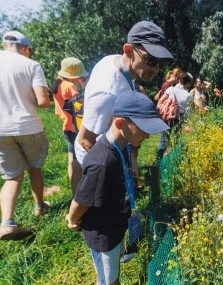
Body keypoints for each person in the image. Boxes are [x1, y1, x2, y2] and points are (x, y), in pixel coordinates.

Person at [66, 91, 169, 285]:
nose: (147, 136)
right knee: (108, 281)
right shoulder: (102, 161)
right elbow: (82, 199)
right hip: (103, 234)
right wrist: (72, 219)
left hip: (115, 224)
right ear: (121, 123)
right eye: (144, 129)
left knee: (112, 273)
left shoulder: (122, 145)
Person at [74, 20, 174, 173]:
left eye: (161, 62)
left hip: (113, 145)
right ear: (128, 50)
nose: (156, 69)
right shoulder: (108, 93)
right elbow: (86, 140)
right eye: (151, 60)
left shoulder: (114, 61)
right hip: (98, 157)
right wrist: (117, 171)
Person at [0, 31, 50, 241]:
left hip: (1, 130)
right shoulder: (31, 65)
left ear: (5, 45)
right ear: (26, 48)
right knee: (34, 167)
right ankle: (39, 206)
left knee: (12, 176)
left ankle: (7, 222)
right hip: (28, 127)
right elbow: (43, 101)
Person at [52, 57, 89, 195]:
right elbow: (83, 102)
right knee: (77, 163)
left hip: (67, 128)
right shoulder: (69, 86)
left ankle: (75, 191)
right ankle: (79, 193)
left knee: (71, 161)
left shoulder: (57, 85)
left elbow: (57, 111)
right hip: (76, 128)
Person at [157, 72, 193, 159]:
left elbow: (160, 100)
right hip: (179, 117)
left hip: (167, 116)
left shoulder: (171, 89)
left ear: (179, 80)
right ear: (188, 83)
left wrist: (159, 112)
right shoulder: (188, 95)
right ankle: (175, 158)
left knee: (163, 139)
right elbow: (188, 111)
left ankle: (159, 160)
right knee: (177, 139)